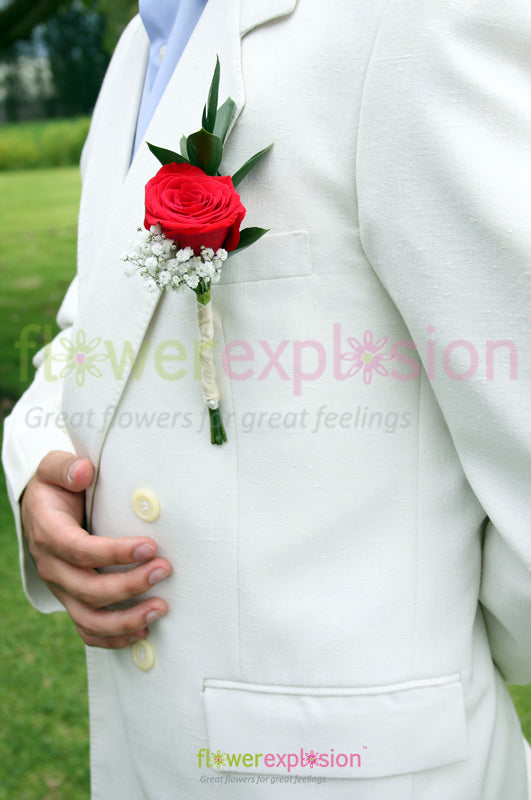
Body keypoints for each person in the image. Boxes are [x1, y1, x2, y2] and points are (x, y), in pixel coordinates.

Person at [3, 0, 531, 797]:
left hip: (361, 766)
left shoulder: (418, 16)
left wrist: (424, 648)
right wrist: (40, 458)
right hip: (152, 756)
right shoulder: (137, 53)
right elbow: (92, 316)